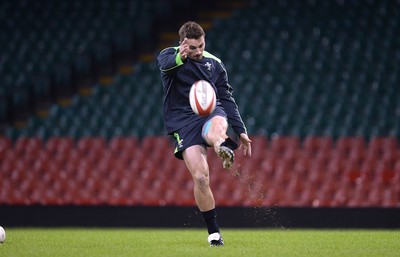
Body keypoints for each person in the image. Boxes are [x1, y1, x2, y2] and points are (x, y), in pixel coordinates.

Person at [156, 21, 252, 247]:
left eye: (201, 45)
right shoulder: (168, 56)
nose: (198, 51)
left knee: (217, 130)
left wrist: (241, 130)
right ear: (182, 44)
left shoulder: (214, 64)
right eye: (192, 47)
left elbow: (226, 98)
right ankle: (214, 234)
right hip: (183, 122)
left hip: (210, 111)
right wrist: (182, 56)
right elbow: (167, 65)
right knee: (200, 177)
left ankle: (222, 146)